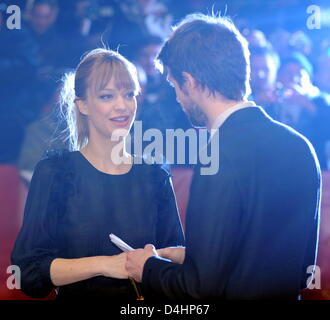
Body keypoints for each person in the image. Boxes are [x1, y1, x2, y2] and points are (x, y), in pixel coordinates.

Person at [125, 14, 321, 300]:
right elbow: (303, 269)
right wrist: (193, 256)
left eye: (174, 85)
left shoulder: (218, 155)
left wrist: (148, 268)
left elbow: (200, 288)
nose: (178, 97)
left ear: (189, 82)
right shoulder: (302, 147)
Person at [11, 48, 184, 299]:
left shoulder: (154, 175)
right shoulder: (56, 172)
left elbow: (178, 257)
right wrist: (105, 264)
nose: (122, 106)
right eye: (106, 96)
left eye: (129, 94)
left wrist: (157, 258)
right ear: (82, 105)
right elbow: (27, 272)